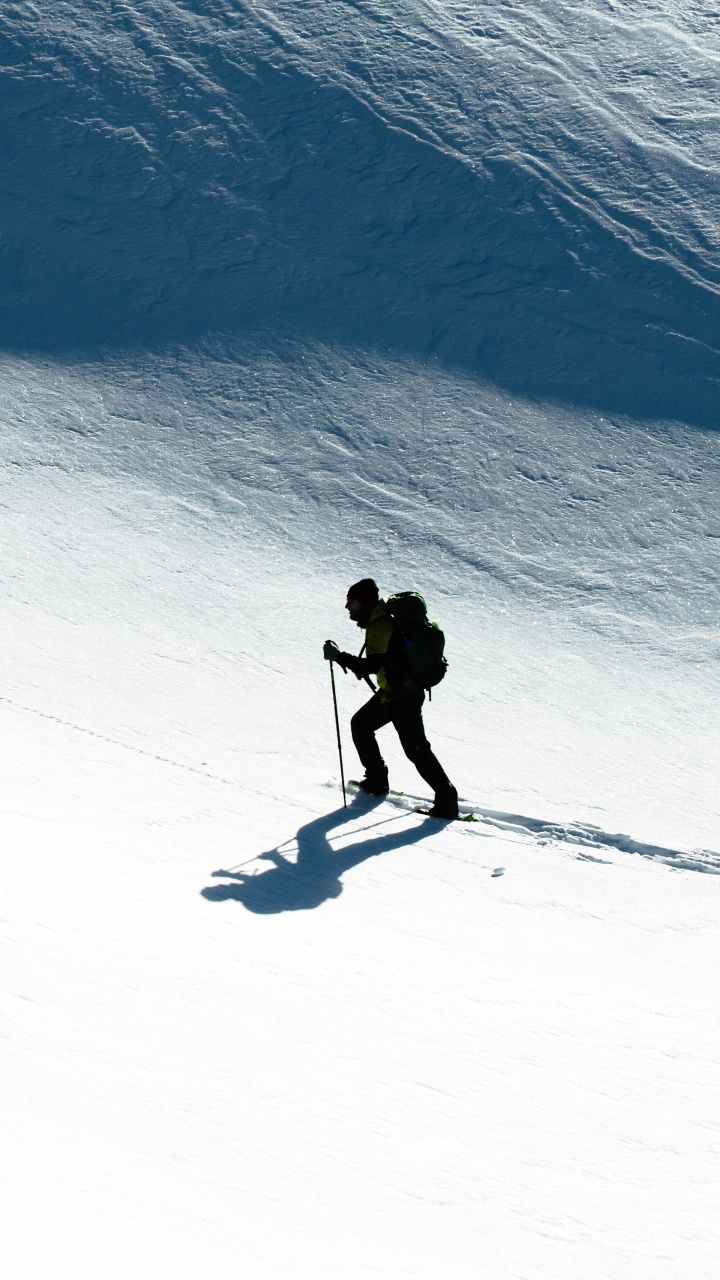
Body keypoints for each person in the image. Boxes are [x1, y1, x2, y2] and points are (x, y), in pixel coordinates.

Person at [323, 578, 459, 819]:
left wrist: (338, 656)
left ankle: (447, 802)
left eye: (351, 601)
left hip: (402, 696)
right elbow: (384, 660)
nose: (347, 606)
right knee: (362, 725)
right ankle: (376, 781)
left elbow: (373, 665)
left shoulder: (380, 624)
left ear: (364, 602)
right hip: (396, 693)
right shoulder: (381, 617)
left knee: (416, 749)